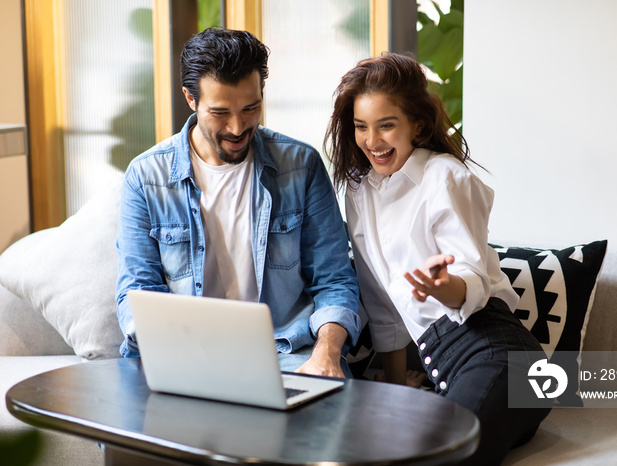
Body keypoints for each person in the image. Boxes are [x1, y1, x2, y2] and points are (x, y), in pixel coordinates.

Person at [324, 53, 551, 465]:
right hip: (452, 373)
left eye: (386, 125)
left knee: (439, 455)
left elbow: (471, 272)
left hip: (507, 359)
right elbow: (383, 305)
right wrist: (396, 385)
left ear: (418, 125)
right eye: (361, 127)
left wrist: (445, 287)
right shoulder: (360, 191)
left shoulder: (445, 176)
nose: (372, 140)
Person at [115, 28, 361, 378]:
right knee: (122, 428)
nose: (237, 127)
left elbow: (334, 280)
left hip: (285, 350)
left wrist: (327, 355)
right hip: (182, 352)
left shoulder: (300, 166)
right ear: (191, 99)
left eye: (251, 108)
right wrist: (166, 351)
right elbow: (136, 289)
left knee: (327, 421)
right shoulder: (146, 176)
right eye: (219, 112)